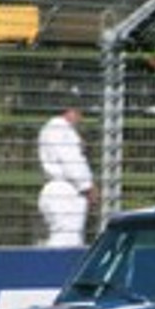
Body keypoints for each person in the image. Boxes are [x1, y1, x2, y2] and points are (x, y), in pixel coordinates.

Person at [37, 98, 96, 247]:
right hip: (64, 191)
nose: (80, 119)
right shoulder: (61, 129)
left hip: (60, 189)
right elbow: (71, 160)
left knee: (67, 237)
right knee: (66, 238)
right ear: (70, 111)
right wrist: (87, 186)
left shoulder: (51, 129)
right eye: (79, 113)